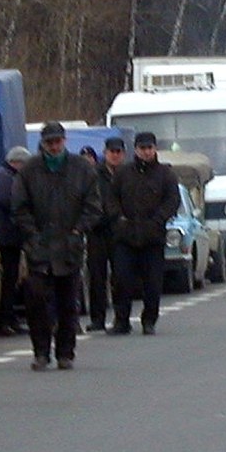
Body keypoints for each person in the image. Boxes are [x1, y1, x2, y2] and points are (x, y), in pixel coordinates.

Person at [13, 122, 101, 371]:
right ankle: (41, 351)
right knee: (37, 301)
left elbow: (93, 207)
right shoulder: (29, 170)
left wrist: (77, 231)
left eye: (57, 141)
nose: (53, 146)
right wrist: (32, 234)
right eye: (49, 142)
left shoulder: (82, 169)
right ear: (42, 143)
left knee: (67, 303)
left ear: (64, 141)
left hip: (69, 247)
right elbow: (19, 207)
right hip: (39, 247)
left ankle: (65, 352)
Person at [107, 132, 180, 335]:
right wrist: (118, 219)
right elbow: (111, 199)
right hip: (126, 236)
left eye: (149, 148)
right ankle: (121, 320)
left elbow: (172, 201)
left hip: (152, 237)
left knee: (153, 283)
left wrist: (158, 220)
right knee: (121, 279)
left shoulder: (165, 174)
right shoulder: (123, 173)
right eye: (142, 148)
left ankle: (149, 320)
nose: (146, 152)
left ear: (155, 149)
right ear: (136, 150)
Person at [0, 145, 31, 336]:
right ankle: (4, 320)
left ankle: (10, 317)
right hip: (5, 237)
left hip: (11, 236)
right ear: (17, 163)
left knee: (12, 280)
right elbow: (10, 201)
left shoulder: (5, 175)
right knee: (8, 280)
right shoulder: (3, 177)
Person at [85, 136, 127, 331]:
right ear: (105, 153)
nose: (115, 155)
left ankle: (120, 317)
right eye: (112, 152)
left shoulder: (128, 174)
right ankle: (97, 318)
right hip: (97, 230)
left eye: (118, 152)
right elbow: (88, 199)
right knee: (96, 276)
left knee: (120, 276)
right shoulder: (94, 174)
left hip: (119, 231)